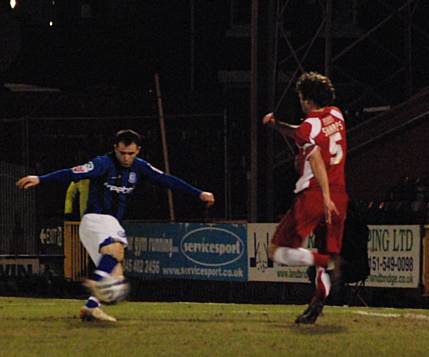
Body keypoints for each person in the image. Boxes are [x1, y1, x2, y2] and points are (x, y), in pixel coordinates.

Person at [16, 129, 215, 322]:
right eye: (122, 153)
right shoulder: (102, 163)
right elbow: (73, 173)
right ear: (115, 148)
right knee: (116, 249)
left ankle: (91, 307)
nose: (126, 158)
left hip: (102, 225)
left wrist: (198, 193)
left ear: (137, 151)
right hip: (98, 219)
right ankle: (97, 281)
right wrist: (41, 179)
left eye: (130, 153)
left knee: (116, 272)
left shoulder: (140, 166)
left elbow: (166, 180)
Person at [262, 71, 349, 324]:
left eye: (301, 97)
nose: (300, 101)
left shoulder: (310, 126)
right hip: (340, 196)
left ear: (307, 99)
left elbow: (316, 159)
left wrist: (323, 196)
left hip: (313, 195)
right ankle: (317, 301)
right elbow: (303, 133)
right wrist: (277, 125)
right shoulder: (337, 115)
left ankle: (324, 261)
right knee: (326, 251)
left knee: (276, 251)